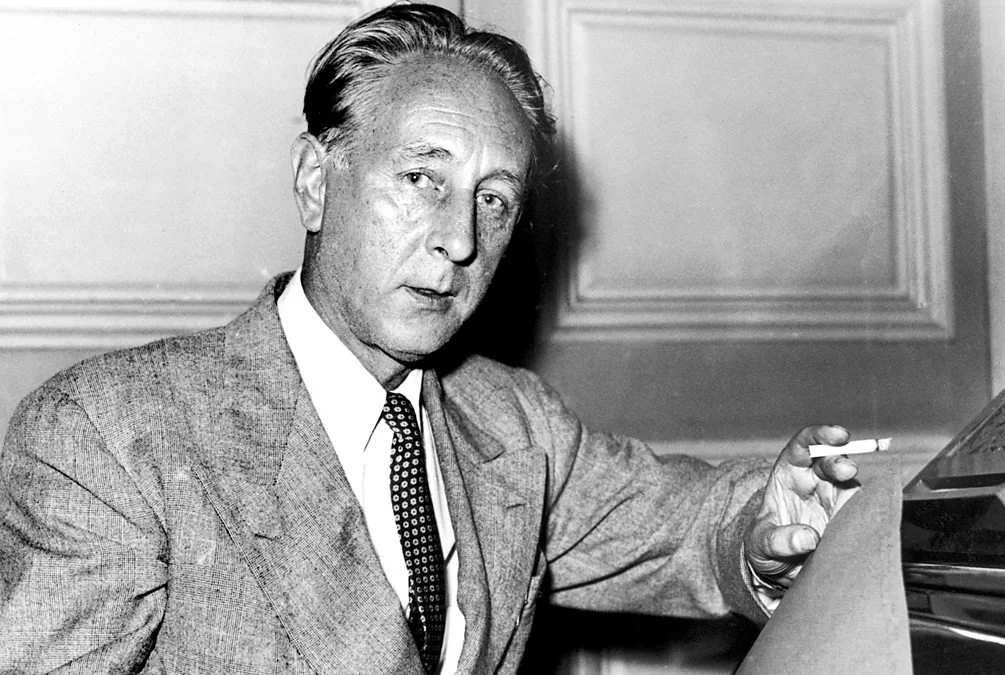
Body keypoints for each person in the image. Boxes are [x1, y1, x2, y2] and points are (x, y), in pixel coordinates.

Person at [0, 4, 860, 673]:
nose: (459, 238)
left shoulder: (513, 423)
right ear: (314, 181)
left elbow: (686, 524)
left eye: (494, 199)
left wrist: (761, 526)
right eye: (422, 178)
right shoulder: (108, 434)